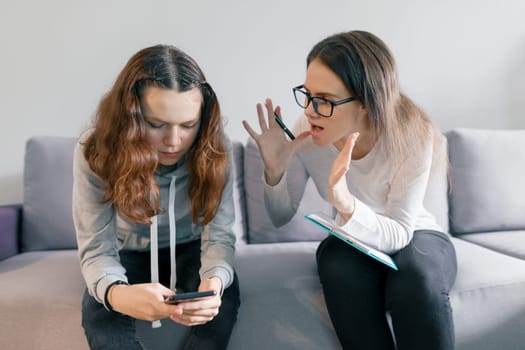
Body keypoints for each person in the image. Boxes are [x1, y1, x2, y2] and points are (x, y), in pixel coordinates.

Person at [243, 30, 457, 350]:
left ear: (365, 104)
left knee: (415, 278)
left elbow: (400, 232)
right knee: (337, 263)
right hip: (353, 241)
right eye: (308, 95)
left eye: (325, 101)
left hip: (415, 233)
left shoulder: (414, 132)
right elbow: (279, 216)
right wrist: (274, 171)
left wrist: (345, 203)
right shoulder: (308, 132)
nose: (310, 111)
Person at [73, 44, 240, 350]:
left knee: (225, 298)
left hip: (192, 248)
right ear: (130, 117)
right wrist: (117, 294)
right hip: (130, 251)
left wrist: (213, 285)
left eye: (188, 125)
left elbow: (219, 238)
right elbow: (97, 250)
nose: (174, 142)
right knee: (98, 312)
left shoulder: (216, 148)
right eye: (156, 124)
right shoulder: (96, 151)